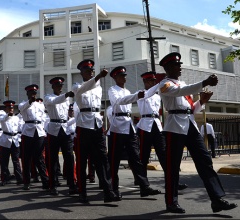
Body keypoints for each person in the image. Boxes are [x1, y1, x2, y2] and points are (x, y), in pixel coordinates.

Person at [158, 52, 237, 213]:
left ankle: (217, 199)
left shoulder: (183, 84)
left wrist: (201, 102)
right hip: (174, 128)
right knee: (172, 166)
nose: (179, 68)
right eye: (175, 65)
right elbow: (179, 92)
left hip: (190, 126)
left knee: (205, 161)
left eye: (180, 65)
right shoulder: (165, 84)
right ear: (167, 68)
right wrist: (204, 82)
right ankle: (171, 202)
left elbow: (191, 110)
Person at [107, 66, 161, 200]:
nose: (124, 78)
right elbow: (119, 101)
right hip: (117, 126)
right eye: (121, 76)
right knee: (114, 160)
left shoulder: (128, 91)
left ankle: (144, 186)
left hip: (128, 125)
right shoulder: (112, 90)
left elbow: (141, 96)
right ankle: (113, 189)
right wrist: (136, 96)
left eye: (125, 76)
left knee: (136, 158)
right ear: (115, 78)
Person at [72, 59, 117, 203]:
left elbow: (94, 87)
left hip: (97, 124)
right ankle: (82, 192)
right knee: (82, 159)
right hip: (84, 125)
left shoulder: (98, 87)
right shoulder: (76, 86)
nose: (90, 73)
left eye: (91, 70)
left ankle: (108, 191)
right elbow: (83, 89)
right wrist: (97, 77)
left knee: (102, 160)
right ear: (81, 72)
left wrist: (97, 78)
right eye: (87, 71)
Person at [136, 71, 188, 190]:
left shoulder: (157, 95)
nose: (154, 83)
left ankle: (172, 182)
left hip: (157, 125)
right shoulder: (141, 94)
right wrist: (160, 83)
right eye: (151, 81)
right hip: (145, 126)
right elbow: (149, 93)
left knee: (164, 156)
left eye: (155, 81)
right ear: (145, 82)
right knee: (143, 156)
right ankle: (143, 185)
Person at [43, 76, 77, 195]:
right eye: (57, 85)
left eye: (61, 85)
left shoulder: (66, 99)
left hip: (65, 128)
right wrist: (66, 95)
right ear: (53, 86)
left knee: (69, 157)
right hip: (54, 129)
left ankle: (72, 184)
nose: (60, 87)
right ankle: (52, 185)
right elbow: (55, 101)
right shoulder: (48, 97)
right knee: (52, 159)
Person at [18, 84, 49, 190]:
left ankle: (45, 181)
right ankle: (26, 181)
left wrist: (44, 131)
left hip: (39, 131)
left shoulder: (41, 105)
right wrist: (30, 101)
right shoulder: (23, 104)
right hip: (28, 132)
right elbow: (22, 108)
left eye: (35, 93)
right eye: (31, 93)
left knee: (40, 157)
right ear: (27, 93)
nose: (33, 95)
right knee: (26, 158)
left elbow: (43, 118)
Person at [0, 100, 23, 186]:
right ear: (6, 109)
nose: (11, 109)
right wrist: (8, 115)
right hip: (5, 140)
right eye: (9, 108)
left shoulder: (16, 118)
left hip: (15, 140)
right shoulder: (2, 117)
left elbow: (20, 128)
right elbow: (3, 119)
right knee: (4, 161)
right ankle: (4, 178)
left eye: (12, 108)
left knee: (16, 160)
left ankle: (19, 178)